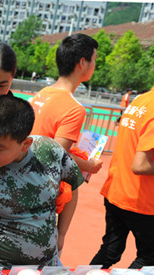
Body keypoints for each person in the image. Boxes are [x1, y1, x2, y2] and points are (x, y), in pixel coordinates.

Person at [0, 95, 84, 270]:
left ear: (25, 144)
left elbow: (73, 186)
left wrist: (61, 234)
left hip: (47, 265)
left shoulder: (50, 152)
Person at [90, 57, 154, 269]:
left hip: (115, 191)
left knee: (110, 251)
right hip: (139, 200)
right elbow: (140, 166)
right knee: (149, 258)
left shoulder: (143, 99)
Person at [30, 33, 103, 175]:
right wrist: (89, 166)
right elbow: (57, 156)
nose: (95, 65)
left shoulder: (43, 92)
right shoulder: (74, 109)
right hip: (41, 180)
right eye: (94, 60)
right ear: (82, 62)